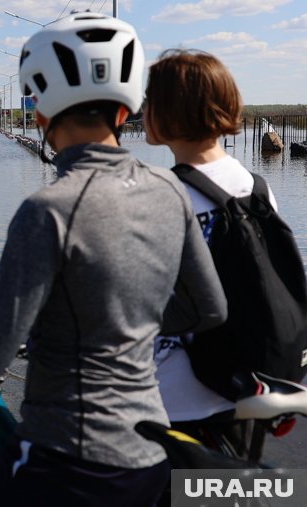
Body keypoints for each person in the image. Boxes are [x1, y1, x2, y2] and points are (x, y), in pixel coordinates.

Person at [0, 14, 227, 506]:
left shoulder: (49, 211)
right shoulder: (168, 192)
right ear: (125, 108)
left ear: (42, 114)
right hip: (149, 456)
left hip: (66, 461)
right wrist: (113, 323)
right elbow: (208, 309)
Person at [146, 49, 278, 455]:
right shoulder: (254, 187)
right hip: (234, 386)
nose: (144, 108)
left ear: (170, 111)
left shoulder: (157, 194)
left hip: (167, 400)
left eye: (150, 100)